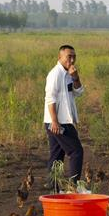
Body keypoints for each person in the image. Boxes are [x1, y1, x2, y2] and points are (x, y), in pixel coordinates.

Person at [45, 44, 84, 185]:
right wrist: (54, 121)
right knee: (76, 152)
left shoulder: (69, 74)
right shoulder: (55, 74)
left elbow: (79, 92)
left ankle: (53, 187)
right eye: (69, 57)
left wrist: (75, 77)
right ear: (60, 57)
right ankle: (74, 186)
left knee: (56, 156)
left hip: (59, 121)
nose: (72, 60)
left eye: (74, 57)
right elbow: (50, 99)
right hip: (59, 122)